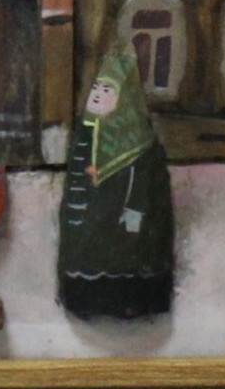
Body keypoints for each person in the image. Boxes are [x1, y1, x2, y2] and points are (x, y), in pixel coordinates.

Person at [57, 44, 175, 320]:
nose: (98, 95)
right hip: (86, 219)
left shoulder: (138, 140)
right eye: (96, 89)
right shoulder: (85, 132)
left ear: (124, 98)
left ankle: (128, 301)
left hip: (121, 221)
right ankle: (83, 299)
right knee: (87, 254)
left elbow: (143, 182)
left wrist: (134, 210)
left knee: (122, 256)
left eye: (107, 90)